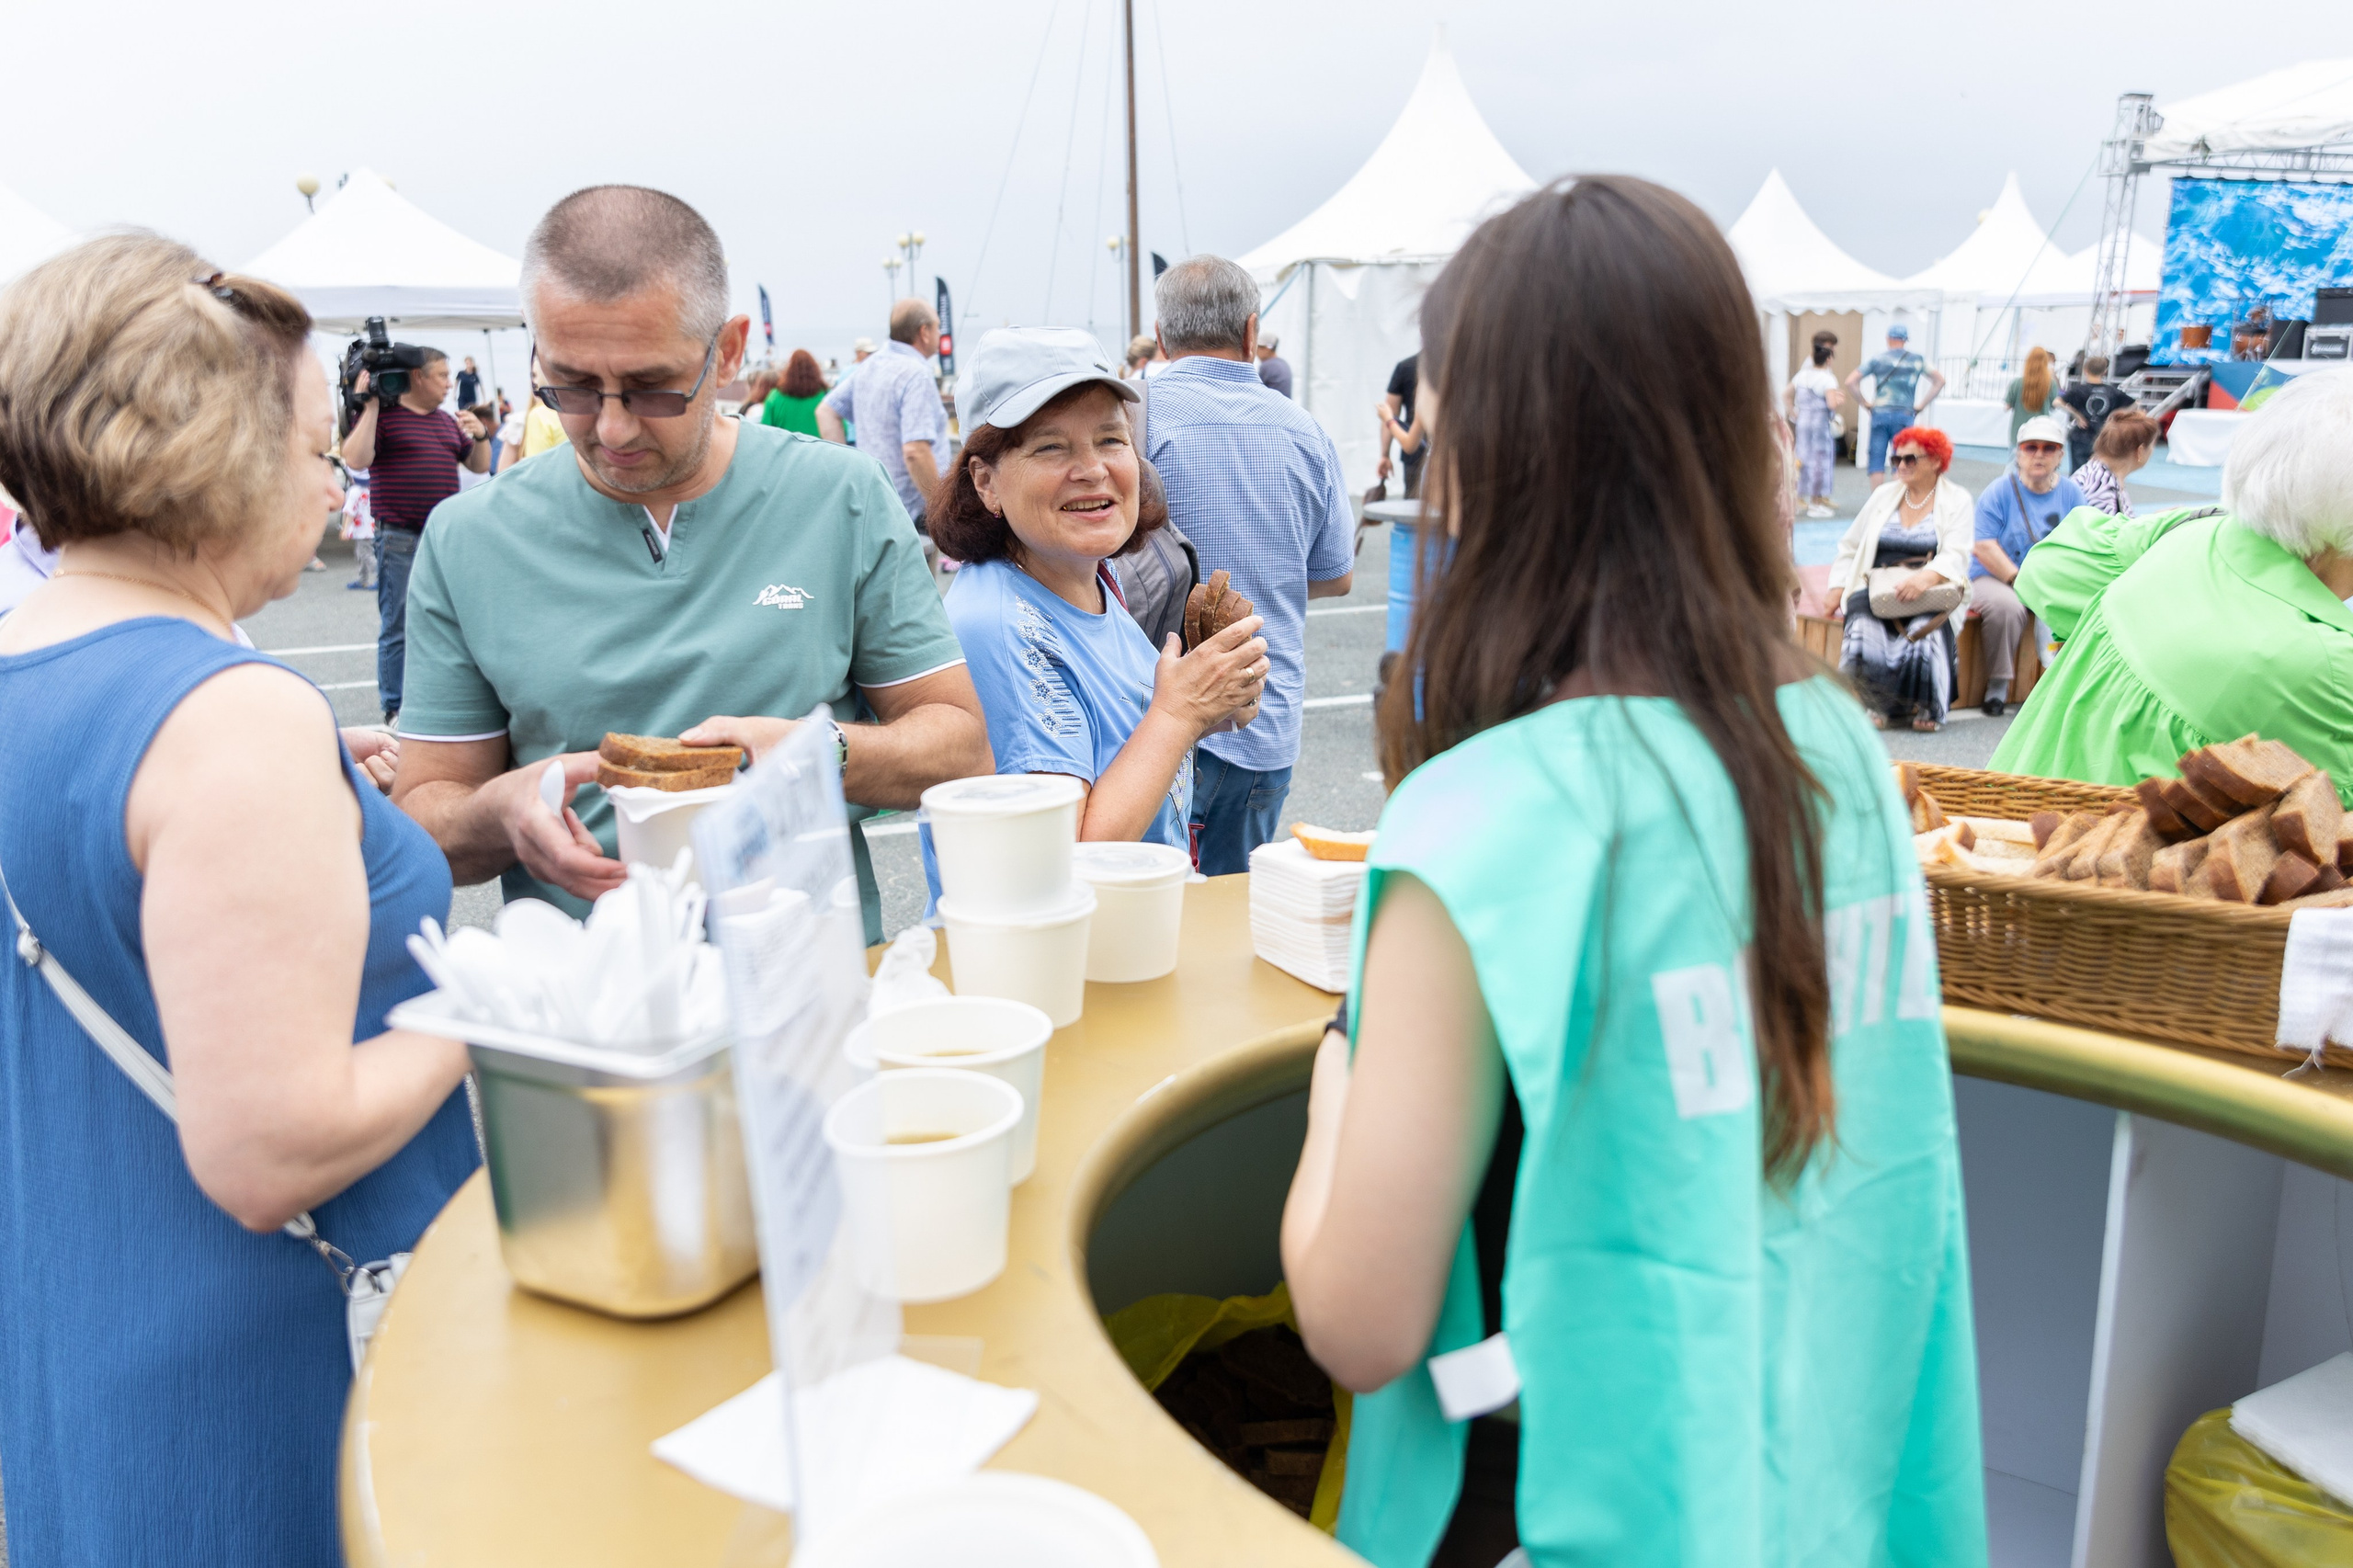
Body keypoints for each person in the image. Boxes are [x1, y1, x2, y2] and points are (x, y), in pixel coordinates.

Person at [1276, 176, 1982, 1568]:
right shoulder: (1837, 755)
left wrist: (1335, 1078)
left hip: (1560, 1504)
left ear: (1482, 451)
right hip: (1813, 1490)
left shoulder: (1477, 818)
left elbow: (1362, 1321)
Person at [0, 233, 479, 1568]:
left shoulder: (33, 662)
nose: (334, 479)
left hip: (88, 1327)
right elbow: (271, 1148)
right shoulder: (230, 716)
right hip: (270, 1365)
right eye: (316, 442)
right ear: (213, 450)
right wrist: (488, 1003)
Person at [389, 186, 990, 944]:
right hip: (587, 1013)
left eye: (652, 388)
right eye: (570, 386)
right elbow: (426, 811)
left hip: (813, 996)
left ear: (729, 351)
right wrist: (499, 813)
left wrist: (820, 752)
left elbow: (960, 745)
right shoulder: (468, 538)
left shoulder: (838, 495)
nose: (610, 426)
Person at [930, 326, 1267, 861]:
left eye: (1111, 439)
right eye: (1050, 447)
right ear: (986, 481)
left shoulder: (1090, 578)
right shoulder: (1000, 626)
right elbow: (1066, 856)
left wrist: (1221, 689)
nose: (1092, 470)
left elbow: (1126, 735)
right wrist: (1179, 713)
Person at [1993, 369, 2353, 794]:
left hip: (2000, 822)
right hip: (2096, 857)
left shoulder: (2178, 539)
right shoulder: (2329, 668)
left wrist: (2184, 524)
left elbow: (2050, 566)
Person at [1144, 255, 1354, 873]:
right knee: (1239, 917)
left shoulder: (1128, 424)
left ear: (1160, 337)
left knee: (1149, 906)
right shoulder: (1304, 432)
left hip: (1150, 712)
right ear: (1251, 331)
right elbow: (1337, 575)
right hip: (1261, 714)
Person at [339, 346, 489, 723]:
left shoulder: (444, 421)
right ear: (418, 377)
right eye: (442, 376)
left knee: (449, 623)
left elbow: (478, 463)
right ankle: (396, 710)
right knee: (399, 626)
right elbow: (355, 459)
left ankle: (439, 700)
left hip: (443, 541)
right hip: (400, 538)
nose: (449, 385)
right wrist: (370, 408)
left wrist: (482, 435)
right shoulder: (386, 418)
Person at [1824, 426, 1973, 732]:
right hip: (1879, 584)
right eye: (1896, 459)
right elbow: (1850, 545)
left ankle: (1926, 705)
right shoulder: (1884, 495)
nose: (1900, 465)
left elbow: (1958, 552)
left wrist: (1926, 578)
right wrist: (1837, 586)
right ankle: (1877, 702)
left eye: (1910, 459)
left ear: (1935, 461)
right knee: (1862, 617)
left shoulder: (1957, 499)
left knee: (1925, 628)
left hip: (1930, 585)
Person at [1970, 413, 2085, 716]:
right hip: (1996, 576)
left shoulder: (2072, 493)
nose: (2039, 454)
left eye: (2049, 448)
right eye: (2031, 447)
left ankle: (2064, 684)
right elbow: (1983, 545)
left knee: (2075, 607)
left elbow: (2082, 541)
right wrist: (2018, 579)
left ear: (2060, 455)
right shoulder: (1999, 491)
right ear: (2018, 453)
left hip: (2049, 577)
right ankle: (1998, 684)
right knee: (2008, 607)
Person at [817, 299, 949, 528]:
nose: (940, 333)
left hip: (873, 501)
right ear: (924, 332)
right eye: (937, 326)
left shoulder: (870, 365)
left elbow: (826, 411)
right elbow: (915, 450)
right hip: (910, 515)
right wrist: (942, 507)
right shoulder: (917, 374)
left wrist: (848, 472)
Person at [1842, 323, 1947, 485]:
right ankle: (1897, 500)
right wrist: (1922, 405)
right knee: (1902, 457)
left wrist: (1865, 403)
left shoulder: (1878, 359)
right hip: (1904, 413)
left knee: (1876, 458)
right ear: (1905, 340)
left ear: (1888, 338)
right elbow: (1940, 381)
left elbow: (1850, 382)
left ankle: (1877, 501)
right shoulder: (1917, 360)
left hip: (1880, 412)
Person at [1784, 331, 1843, 517]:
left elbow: (1786, 393)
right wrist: (1837, 401)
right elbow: (1831, 403)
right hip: (1819, 423)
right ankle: (1815, 501)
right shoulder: (1826, 377)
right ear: (1827, 357)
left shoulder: (1803, 374)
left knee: (1801, 457)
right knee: (1820, 460)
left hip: (1803, 422)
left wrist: (1793, 412)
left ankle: (1801, 496)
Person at [2071, 407, 2159, 517]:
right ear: (2140, 451)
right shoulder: (2100, 484)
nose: (2152, 451)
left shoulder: (2104, 474)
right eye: (2151, 445)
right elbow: (2106, 532)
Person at [2059, 355, 2129, 475]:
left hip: (2081, 435)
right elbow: (2134, 404)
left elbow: (2058, 402)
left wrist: (2077, 415)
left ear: (2085, 370)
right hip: (2102, 435)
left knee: (2078, 473)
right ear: (2105, 371)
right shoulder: (2112, 391)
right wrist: (2114, 415)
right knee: (2100, 472)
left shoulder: (2079, 390)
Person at [1377, 353, 1427, 499]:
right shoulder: (1464, 366)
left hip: (1421, 460)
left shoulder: (1407, 367)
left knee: (1415, 513)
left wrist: (1388, 419)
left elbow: (1410, 444)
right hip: (1456, 460)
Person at [2002, 345, 2059, 447]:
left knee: (2015, 459)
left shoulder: (2016, 383)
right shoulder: (2051, 384)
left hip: (2019, 431)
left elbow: (2007, 406)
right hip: (2041, 431)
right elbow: (2054, 406)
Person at [764, 348, 829, 436]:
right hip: (820, 448)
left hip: (786, 448)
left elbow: (765, 430)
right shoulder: (826, 395)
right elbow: (842, 428)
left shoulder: (775, 396)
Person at [1254, 331, 1294, 398]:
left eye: (1259, 347)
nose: (1256, 351)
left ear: (1267, 349)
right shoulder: (1283, 363)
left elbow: (1254, 391)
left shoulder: (1267, 366)